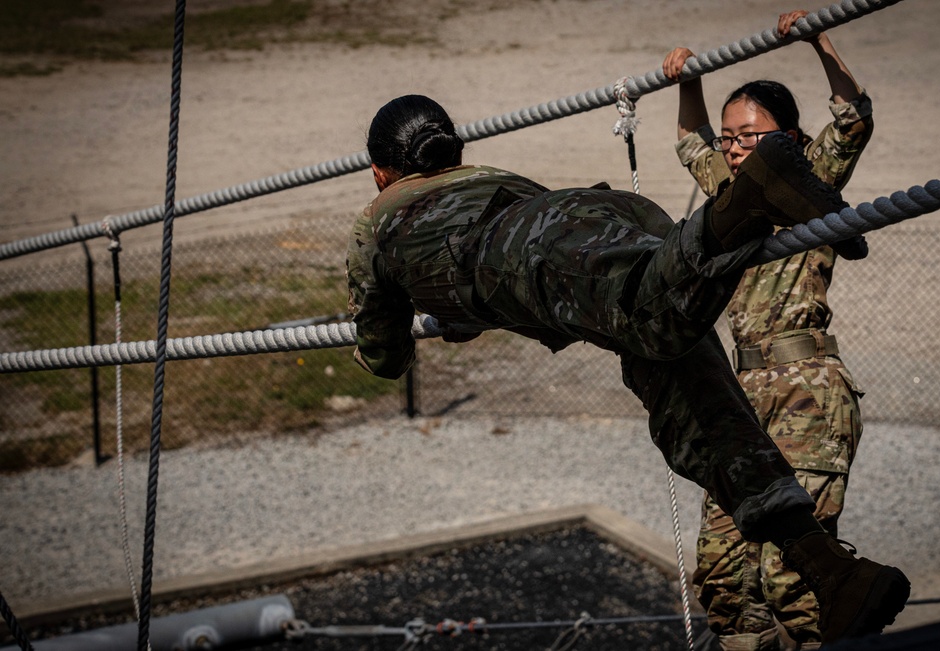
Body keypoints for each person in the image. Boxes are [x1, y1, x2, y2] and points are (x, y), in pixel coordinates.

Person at [345, 93, 909, 644]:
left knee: (653, 317)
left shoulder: (377, 220)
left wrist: (419, 311)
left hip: (543, 252)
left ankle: (751, 200)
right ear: (456, 153)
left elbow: (386, 355)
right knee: (699, 413)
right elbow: (508, 272)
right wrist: (457, 306)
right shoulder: (490, 178)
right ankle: (831, 571)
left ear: (377, 172)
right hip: (607, 217)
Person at [662, 9, 877, 650]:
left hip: (807, 394)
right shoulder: (730, 196)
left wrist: (818, 38)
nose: (732, 148)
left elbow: (852, 118)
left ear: (784, 139)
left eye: (747, 137)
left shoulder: (804, 180)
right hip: (741, 396)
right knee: (727, 579)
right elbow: (690, 143)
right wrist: (686, 78)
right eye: (730, 138)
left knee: (796, 580)